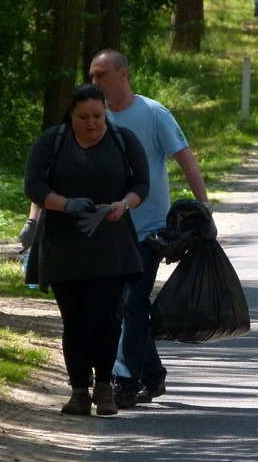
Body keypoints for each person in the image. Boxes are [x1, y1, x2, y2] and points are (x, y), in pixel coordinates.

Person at [88, 49, 209, 408]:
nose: (95, 82)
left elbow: (184, 157)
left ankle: (125, 380)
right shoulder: (97, 117)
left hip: (149, 230)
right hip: (109, 228)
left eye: (101, 75)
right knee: (123, 307)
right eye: (92, 76)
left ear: (122, 74)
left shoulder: (154, 113)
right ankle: (153, 376)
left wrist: (203, 206)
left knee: (133, 300)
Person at [24, 83, 150, 417]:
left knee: (105, 320)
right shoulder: (52, 141)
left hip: (111, 247)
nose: (91, 123)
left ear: (104, 112)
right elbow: (34, 186)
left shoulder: (124, 140)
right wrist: (65, 204)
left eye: (97, 116)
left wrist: (124, 204)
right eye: (83, 117)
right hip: (63, 248)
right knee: (75, 322)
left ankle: (105, 386)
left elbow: (141, 185)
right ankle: (79, 390)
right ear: (71, 114)